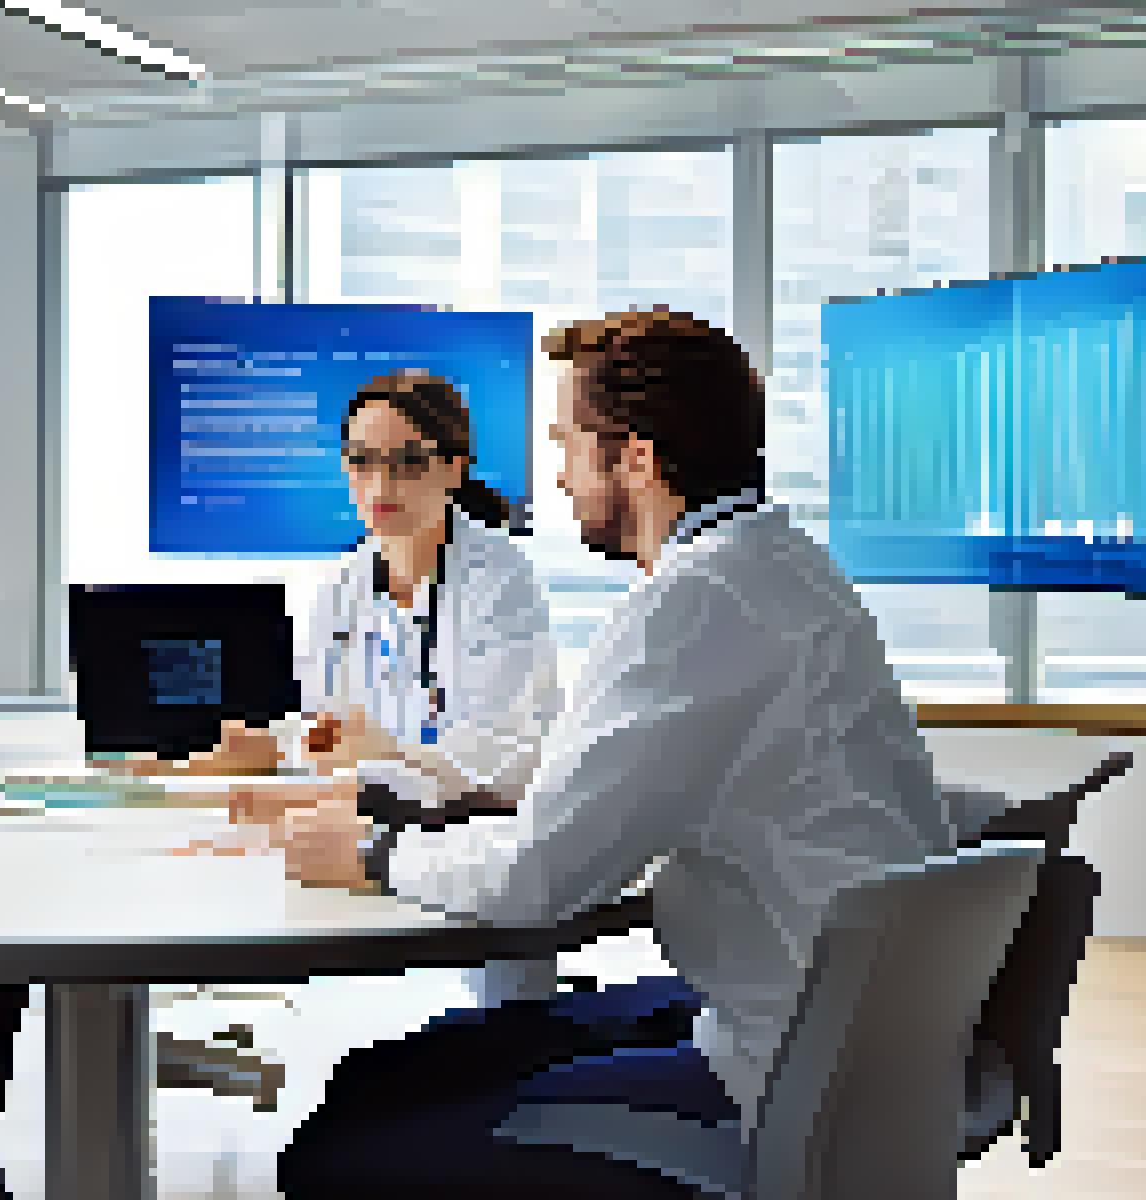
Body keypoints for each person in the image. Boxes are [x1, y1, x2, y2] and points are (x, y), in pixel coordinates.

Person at [223, 307, 1022, 1199]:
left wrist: (371, 855)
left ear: (634, 460)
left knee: (343, 1149)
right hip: (823, 1024)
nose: (559, 478)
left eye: (570, 445)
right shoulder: (784, 566)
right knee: (393, 1073)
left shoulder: (694, 606)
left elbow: (539, 877)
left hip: (777, 1071)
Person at [139, 368, 566, 1007]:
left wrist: (376, 756)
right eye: (361, 461)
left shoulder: (499, 579)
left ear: (453, 469)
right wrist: (259, 749)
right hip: (381, 821)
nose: (380, 485)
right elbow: (328, 725)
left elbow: (500, 762)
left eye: (407, 463)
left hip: (483, 840)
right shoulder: (346, 583)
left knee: (505, 1032)